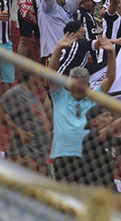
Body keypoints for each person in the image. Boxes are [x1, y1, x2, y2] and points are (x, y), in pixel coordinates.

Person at [48, 32, 116, 182]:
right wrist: (58, 48)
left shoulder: (93, 98)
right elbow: (51, 75)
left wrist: (111, 53)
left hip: (89, 159)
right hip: (64, 157)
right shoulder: (61, 96)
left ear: (87, 84)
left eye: (81, 82)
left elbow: (109, 78)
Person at [0, 69, 51, 174]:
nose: (40, 79)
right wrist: (18, 130)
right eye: (37, 75)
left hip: (38, 153)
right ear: (31, 76)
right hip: (23, 152)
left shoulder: (34, 96)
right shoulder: (17, 92)